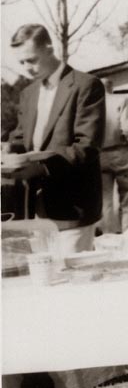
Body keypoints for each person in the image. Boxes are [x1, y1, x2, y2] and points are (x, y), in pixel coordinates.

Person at [7, 24, 105, 254]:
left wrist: (41, 168)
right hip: (34, 209)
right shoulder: (28, 93)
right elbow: (22, 137)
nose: (26, 69)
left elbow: (87, 146)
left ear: (49, 48)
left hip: (73, 205)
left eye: (31, 60)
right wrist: (8, 150)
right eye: (21, 63)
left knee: (72, 282)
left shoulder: (86, 85)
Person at [99, 79, 128, 234]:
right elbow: (127, 130)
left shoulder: (91, 105)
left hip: (100, 154)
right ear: (111, 87)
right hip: (120, 152)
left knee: (105, 199)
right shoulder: (120, 100)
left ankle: (108, 236)